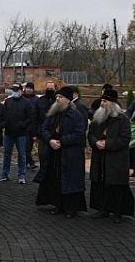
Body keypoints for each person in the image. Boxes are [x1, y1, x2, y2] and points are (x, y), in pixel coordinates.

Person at [34, 86, 87, 218]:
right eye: (57, 97)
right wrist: (50, 140)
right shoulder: (53, 113)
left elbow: (79, 134)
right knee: (55, 179)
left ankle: (70, 208)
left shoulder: (76, 115)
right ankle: (58, 205)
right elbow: (44, 128)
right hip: (54, 152)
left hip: (70, 154)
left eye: (60, 97)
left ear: (68, 100)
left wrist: (62, 141)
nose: (57, 99)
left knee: (70, 181)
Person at [87, 88, 134, 223]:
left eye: (105, 101)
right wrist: (96, 142)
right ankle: (103, 209)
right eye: (102, 100)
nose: (102, 103)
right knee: (101, 185)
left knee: (116, 187)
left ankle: (118, 212)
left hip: (116, 159)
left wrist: (107, 143)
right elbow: (90, 134)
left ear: (113, 103)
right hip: (100, 157)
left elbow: (125, 139)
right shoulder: (98, 118)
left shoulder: (122, 119)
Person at [0, 83, 33, 184]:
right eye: (13, 90)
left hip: (21, 134)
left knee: (22, 154)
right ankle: (5, 174)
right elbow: (4, 115)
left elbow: (30, 118)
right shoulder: (8, 101)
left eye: (16, 90)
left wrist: (22, 125)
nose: (15, 92)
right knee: (7, 154)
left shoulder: (26, 103)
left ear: (21, 91)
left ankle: (21, 175)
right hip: (8, 133)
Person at [33, 80, 57, 168]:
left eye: (51, 88)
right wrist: (35, 133)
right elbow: (35, 117)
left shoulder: (57, 101)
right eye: (48, 88)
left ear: (55, 89)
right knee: (41, 154)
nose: (49, 90)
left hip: (54, 133)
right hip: (41, 133)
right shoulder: (40, 101)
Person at [22, 82, 39, 170]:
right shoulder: (22, 98)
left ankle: (26, 162)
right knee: (26, 146)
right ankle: (30, 162)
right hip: (24, 125)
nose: (29, 90)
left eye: (30, 88)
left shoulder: (36, 99)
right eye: (27, 88)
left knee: (30, 145)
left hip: (33, 126)